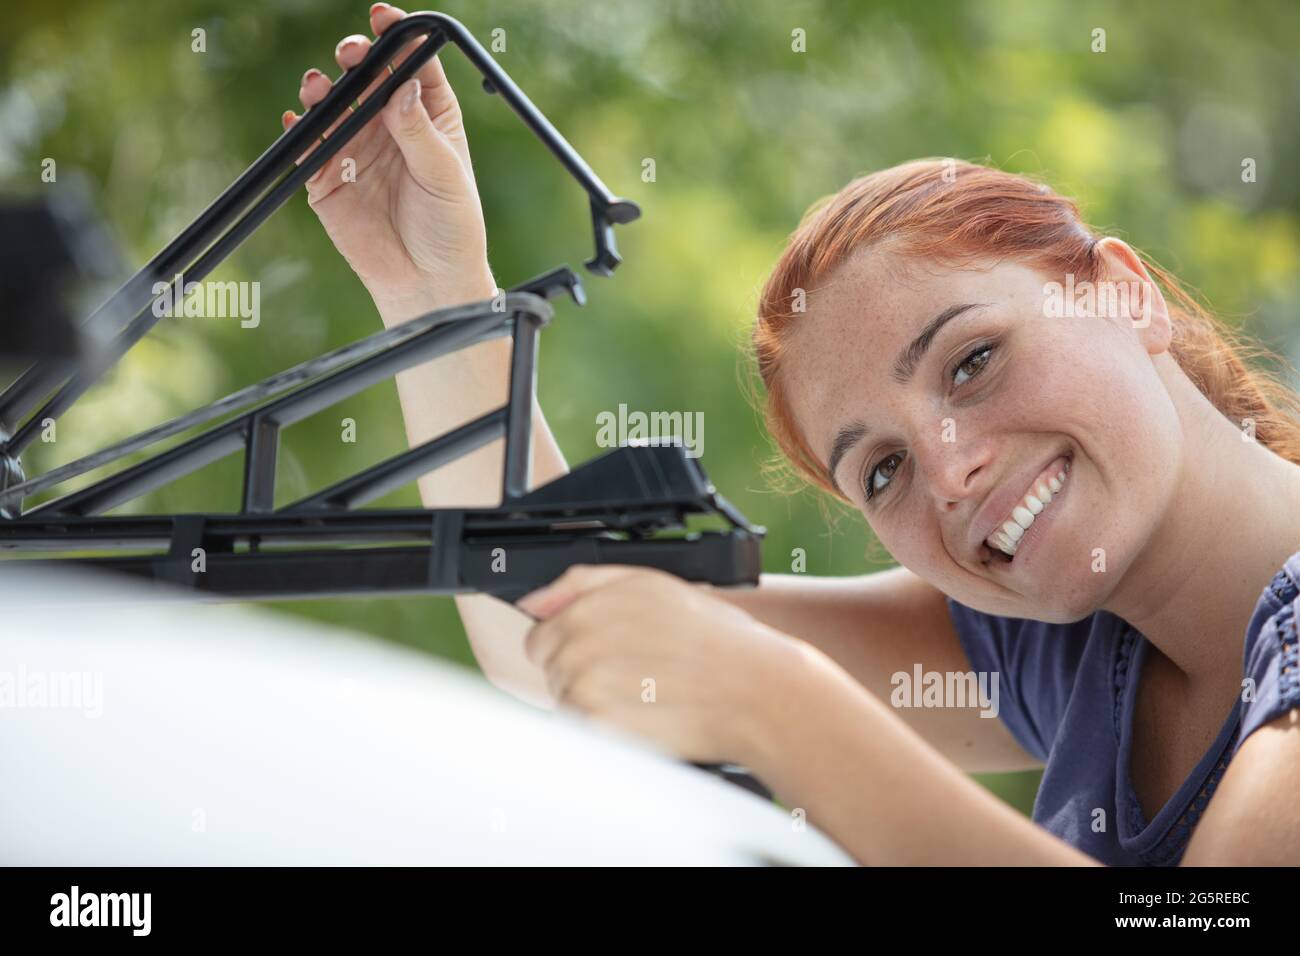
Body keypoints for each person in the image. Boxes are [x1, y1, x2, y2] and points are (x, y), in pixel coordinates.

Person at [284, 3, 1300, 865]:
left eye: (973, 360)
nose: (949, 469)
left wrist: (779, 705)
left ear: (1123, 293)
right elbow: (557, 636)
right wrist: (435, 294)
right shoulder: (1069, 645)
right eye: (883, 468)